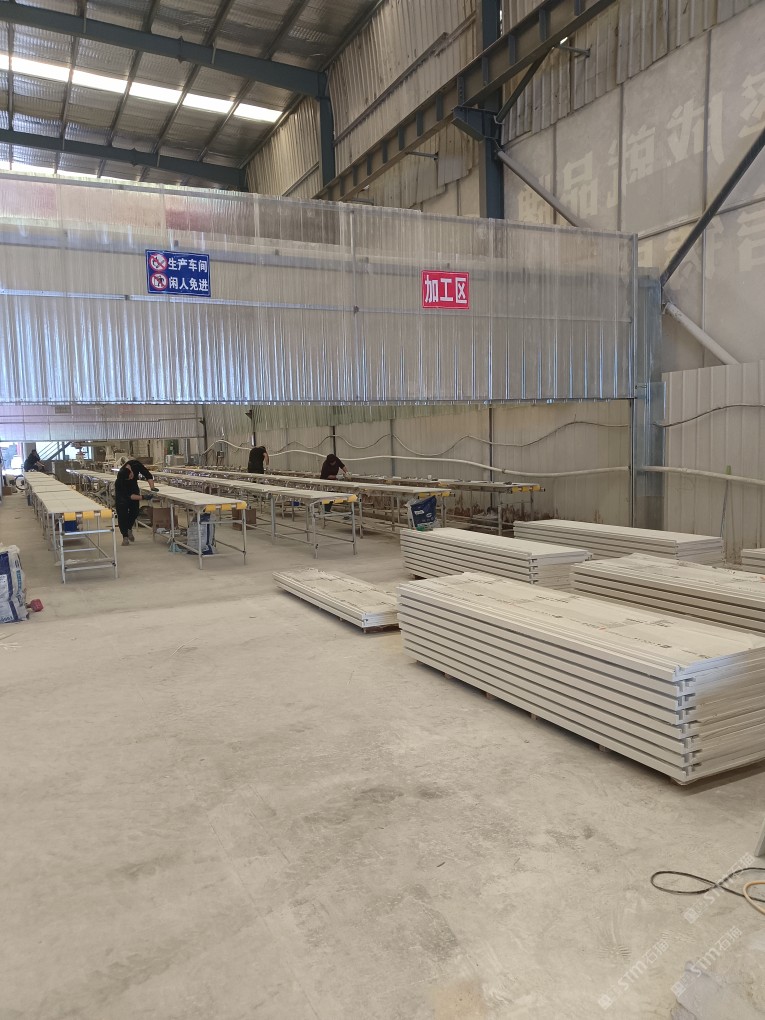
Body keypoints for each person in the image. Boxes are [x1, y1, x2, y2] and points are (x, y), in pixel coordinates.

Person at [114, 459, 157, 546]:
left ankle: (129, 529)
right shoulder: (120, 481)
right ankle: (125, 537)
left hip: (133, 488)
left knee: (135, 512)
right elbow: (129, 496)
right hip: (122, 496)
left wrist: (152, 487)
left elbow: (147, 474)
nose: (131, 478)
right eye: (129, 478)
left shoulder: (136, 465)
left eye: (131, 476)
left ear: (131, 471)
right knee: (122, 515)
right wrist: (144, 497)